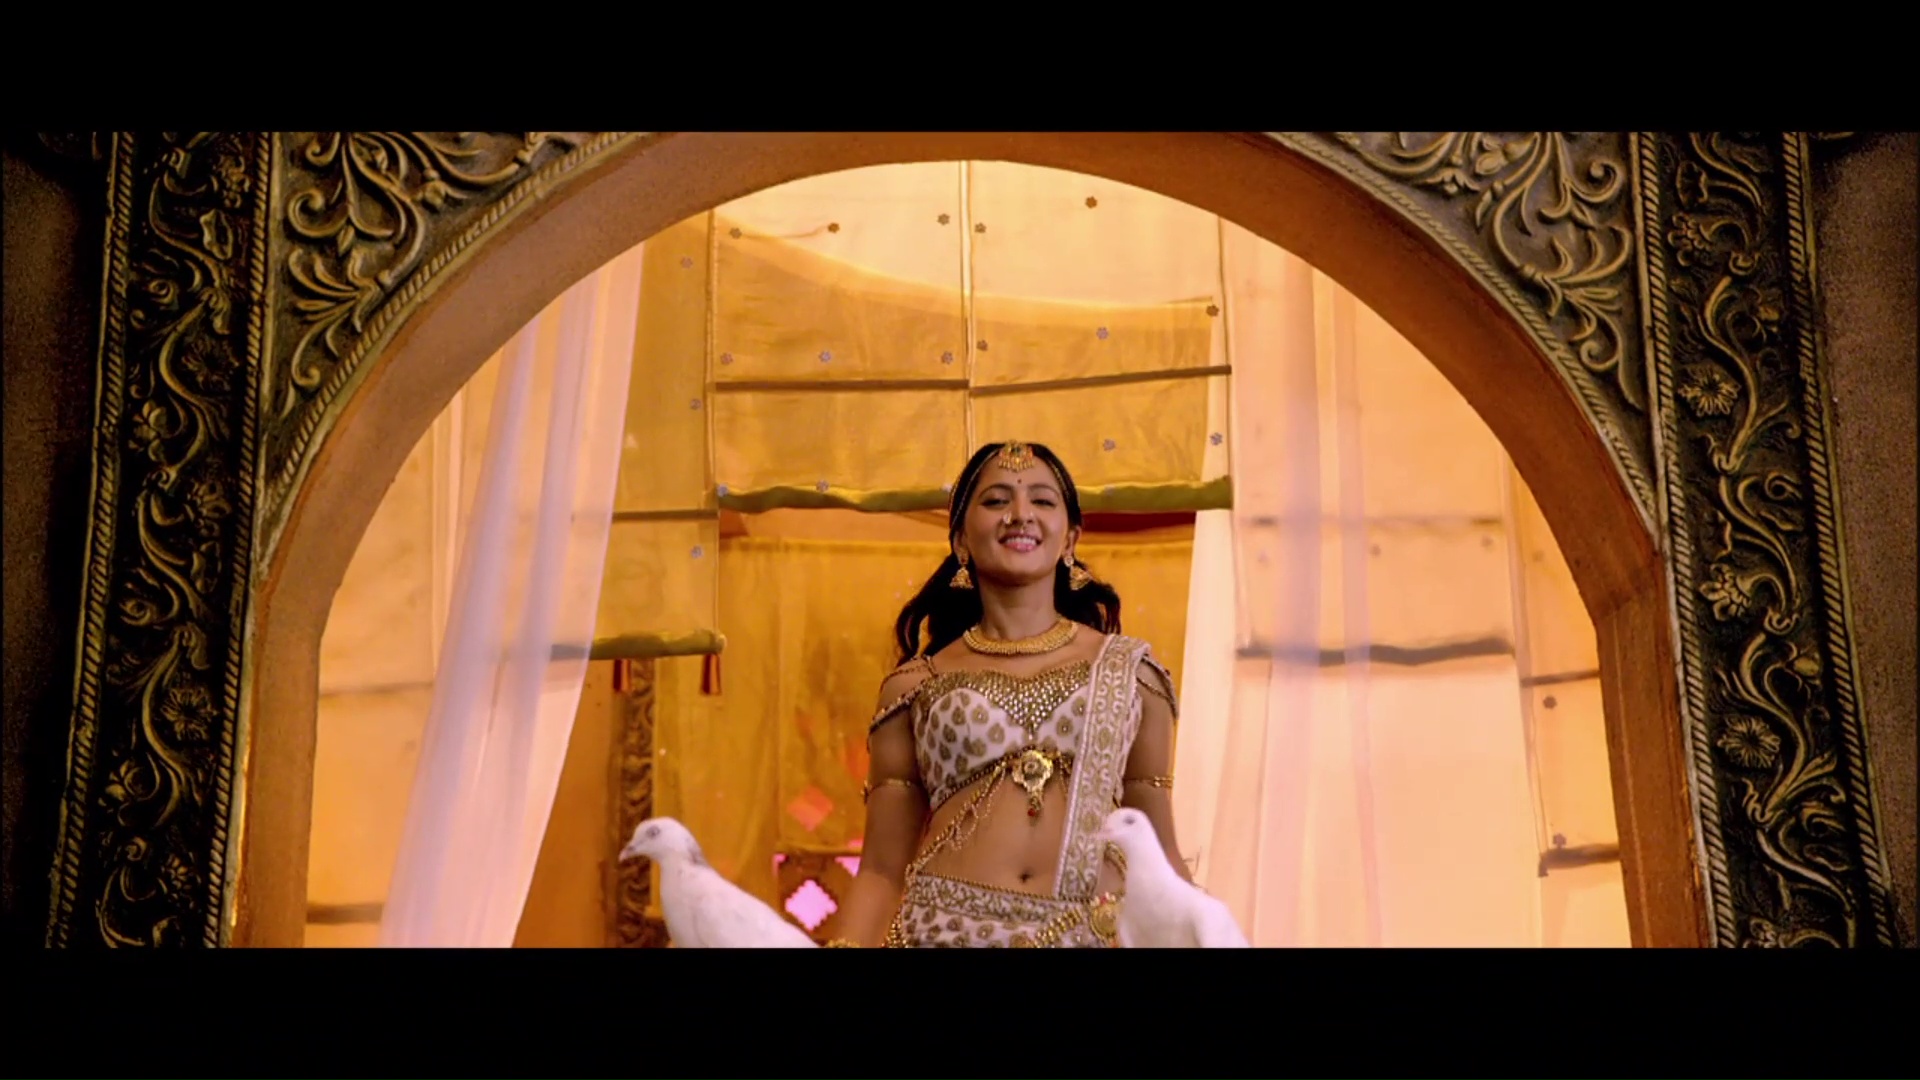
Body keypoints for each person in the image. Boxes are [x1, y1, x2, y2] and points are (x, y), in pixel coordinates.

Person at [828, 440, 1190, 948]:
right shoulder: (916, 686)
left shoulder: (1131, 675)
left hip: (1087, 935)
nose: (1020, 514)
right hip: (945, 933)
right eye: (997, 500)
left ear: (1071, 538)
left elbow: (1160, 856)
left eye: (1042, 500)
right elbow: (882, 871)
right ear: (960, 540)